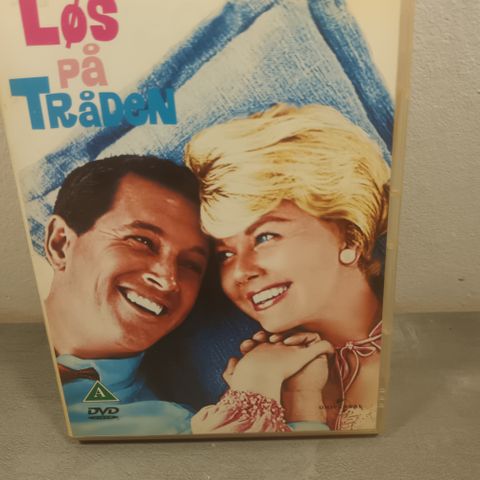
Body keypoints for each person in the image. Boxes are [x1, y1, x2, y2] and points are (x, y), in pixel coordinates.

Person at [45, 154, 329, 437]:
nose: (168, 279)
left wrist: (294, 395)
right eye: (142, 241)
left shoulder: (178, 428)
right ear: (60, 244)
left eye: (191, 265)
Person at [185, 103, 390, 430]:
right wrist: (271, 389)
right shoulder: (258, 382)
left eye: (265, 237)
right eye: (224, 254)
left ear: (350, 237)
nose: (240, 272)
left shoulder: (419, 346)